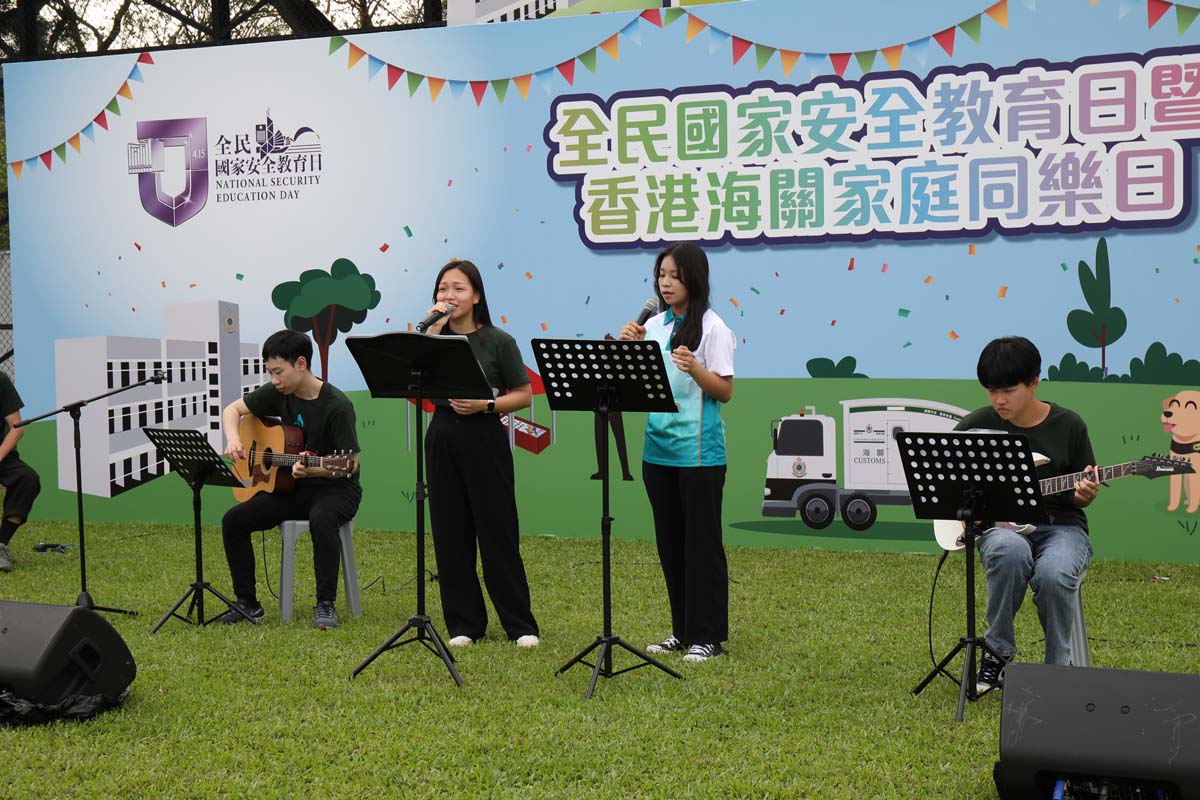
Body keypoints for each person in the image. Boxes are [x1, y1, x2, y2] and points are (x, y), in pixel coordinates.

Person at [955, 336, 1099, 690]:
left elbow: (1082, 496)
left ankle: (1056, 673)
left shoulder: (1069, 425)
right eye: (991, 390)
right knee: (1008, 550)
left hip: (1062, 526)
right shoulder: (976, 426)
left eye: (1009, 390)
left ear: (1034, 382)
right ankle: (996, 656)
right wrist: (966, 512)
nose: (999, 400)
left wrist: (1085, 494)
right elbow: (951, 481)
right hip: (1001, 528)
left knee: (1054, 574)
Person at [619, 243, 735, 663]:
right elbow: (633, 383)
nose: (666, 283)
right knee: (670, 545)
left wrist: (696, 368)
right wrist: (625, 345)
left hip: (700, 455)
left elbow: (725, 390)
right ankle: (682, 631)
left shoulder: (713, 327)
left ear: (694, 279)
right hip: (658, 452)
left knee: (701, 546)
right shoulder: (653, 325)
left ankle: (709, 637)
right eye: (661, 275)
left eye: (675, 275)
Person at [422, 258, 540, 648]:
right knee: (449, 532)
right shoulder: (430, 339)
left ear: (475, 296)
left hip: (484, 435)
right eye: (442, 288)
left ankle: (520, 625)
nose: (448, 295)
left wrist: (485, 407)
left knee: (497, 531)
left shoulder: (498, 341)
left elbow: (523, 395)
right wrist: (433, 333)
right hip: (441, 435)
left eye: (457, 288)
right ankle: (464, 624)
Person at [218, 330, 361, 629]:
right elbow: (233, 410)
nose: (274, 380)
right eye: (270, 373)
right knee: (234, 520)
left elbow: (350, 464)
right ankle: (248, 603)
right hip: (293, 488)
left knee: (322, 517)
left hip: (336, 488)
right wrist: (233, 439)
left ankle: (325, 604)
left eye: (278, 372)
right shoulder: (278, 393)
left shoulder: (337, 405)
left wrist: (315, 469)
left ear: (300, 364)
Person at [0, 371, 42, 572]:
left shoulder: (0, 380)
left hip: (1, 455)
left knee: (28, 479)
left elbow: (17, 427)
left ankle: (0, 545)